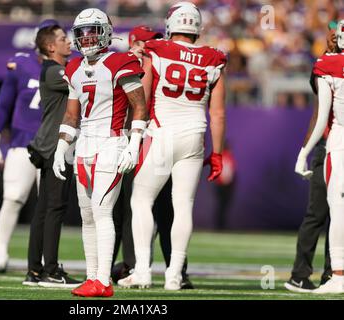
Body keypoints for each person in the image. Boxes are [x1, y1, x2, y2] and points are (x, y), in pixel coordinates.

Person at [118, 1, 227, 290]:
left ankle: (142, 271)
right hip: (195, 135)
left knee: (141, 201)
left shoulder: (157, 50)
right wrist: (217, 153)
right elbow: (217, 113)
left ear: (171, 24)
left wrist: (134, 136)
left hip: (161, 132)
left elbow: (141, 96)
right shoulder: (213, 57)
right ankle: (174, 275)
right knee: (183, 206)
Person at [53, 8, 148, 297]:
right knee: (87, 215)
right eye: (82, 32)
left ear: (106, 31)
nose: (86, 37)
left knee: (102, 211)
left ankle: (104, 281)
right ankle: (93, 276)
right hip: (84, 145)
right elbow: (72, 116)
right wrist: (61, 148)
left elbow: (139, 106)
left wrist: (134, 144)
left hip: (111, 142)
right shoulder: (73, 68)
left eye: (92, 30)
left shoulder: (121, 61)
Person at [111, 25, 193, 290]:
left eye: (157, 40)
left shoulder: (157, 61)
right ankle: (127, 265)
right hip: (133, 140)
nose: (155, 44)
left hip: (153, 140)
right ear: (134, 42)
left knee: (161, 208)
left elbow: (144, 104)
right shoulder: (121, 64)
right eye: (150, 41)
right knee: (122, 210)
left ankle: (170, 268)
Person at [22, 20, 81, 288]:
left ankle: (35, 270)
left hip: (48, 145)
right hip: (54, 146)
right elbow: (82, 82)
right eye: (62, 38)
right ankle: (50, 270)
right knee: (54, 208)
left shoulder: (53, 69)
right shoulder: (53, 71)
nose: (68, 41)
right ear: (49, 46)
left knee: (44, 209)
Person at [0, 27, 45, 273]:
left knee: (49, 206)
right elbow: (3, 104)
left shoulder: (68, 66)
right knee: (12, 198)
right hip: (22, 142)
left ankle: (45, 260)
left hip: (53, 145)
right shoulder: (20, 63)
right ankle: (0, 252)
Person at [285, 21, 337, 293]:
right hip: (329, 144)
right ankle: (302, 273)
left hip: (331, 144)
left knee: (334, 214)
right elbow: (319, 112)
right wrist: (305, 150)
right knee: (319, 213)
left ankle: (333, 273)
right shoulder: (327, 66)